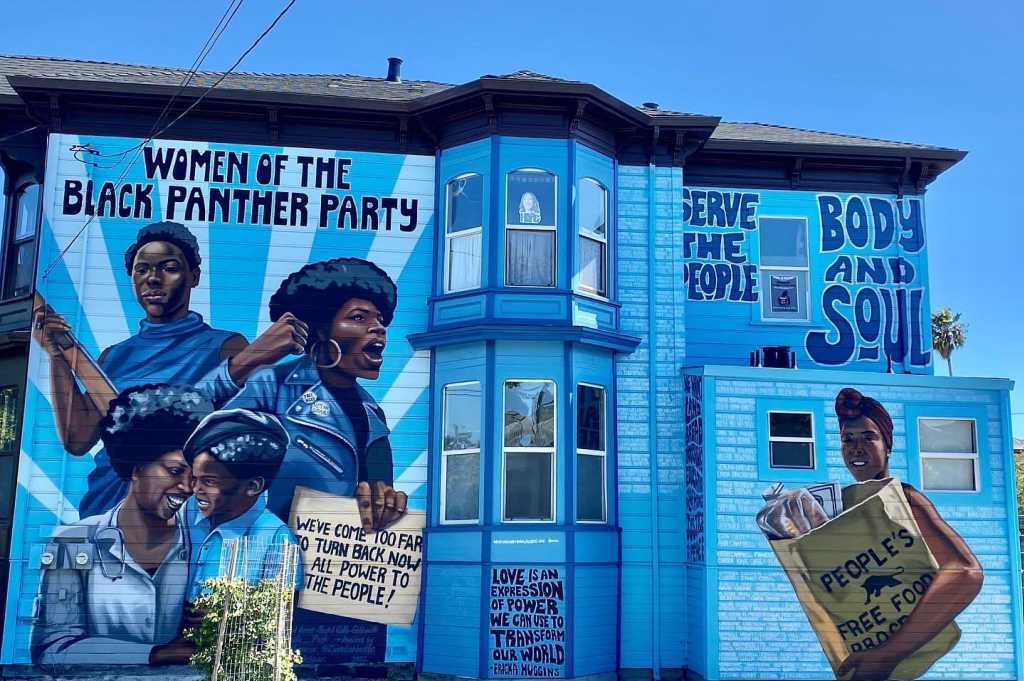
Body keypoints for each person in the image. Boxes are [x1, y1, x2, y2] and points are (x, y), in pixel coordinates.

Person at [33, 221, 308, 517]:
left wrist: (250, 360)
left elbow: (234, 437)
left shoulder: (225, 346)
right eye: (142, 270)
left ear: (193, 276)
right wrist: (56, 356)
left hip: (180, 511)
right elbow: (76, 440)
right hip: (106, 508)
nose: (153, 279)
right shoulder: (114, 356)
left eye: (169, 268)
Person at [209, 257, 408, 530]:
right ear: (322, 330)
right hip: (269, 549)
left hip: (335, 555)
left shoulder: (372, 413)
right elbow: (194, 437)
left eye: (380, 319)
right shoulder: (272, 387)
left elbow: (377, 505)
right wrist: (248, 359)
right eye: (359, 317)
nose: (379, 328)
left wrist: (387, 509)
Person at [31, 384, 212, 666]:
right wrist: (156, 654)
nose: (188, 487)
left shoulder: (206, 544)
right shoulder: (72, 541)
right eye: (175, 471)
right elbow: (52, 649)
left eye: (196, 476)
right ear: (136, 468)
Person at [831, 387, 983, 680]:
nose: (856, 448)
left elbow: (965, 572)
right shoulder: (848, 504)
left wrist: (886, 655)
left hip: (903, 662)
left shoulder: (903, 499)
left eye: (868, 437)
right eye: (847, 440)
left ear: (887, 445)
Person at [182, 408, 300, 597]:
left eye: (209, 481)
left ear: (253, 486)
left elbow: (275, 610)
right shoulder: (187, 512)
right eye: (194, 479)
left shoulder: (278, 541)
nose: (195, 489)